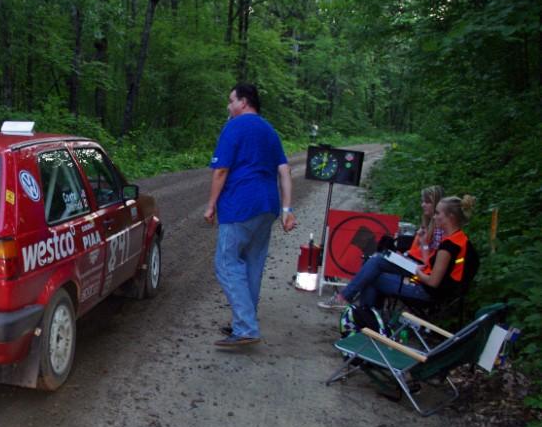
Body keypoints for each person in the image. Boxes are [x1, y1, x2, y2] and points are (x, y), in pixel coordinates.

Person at [204, 83, 296, 347]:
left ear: (244, 102)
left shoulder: (234, 127)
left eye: (231, 101)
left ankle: (245, 327)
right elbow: (285, 171)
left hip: (240, 205)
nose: (228, 106)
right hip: (267, 206)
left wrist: (211, 205)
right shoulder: (269, 131)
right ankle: (244, 322)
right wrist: (287, 210)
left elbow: (221, 171)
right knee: (252, 264)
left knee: (226, 263)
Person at [319, 195, 476, 310]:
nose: (434, 217)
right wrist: (423, 247)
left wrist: (415, 270)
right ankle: (367, 315)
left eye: (438, 213)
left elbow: (433, 282)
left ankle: (363, 315)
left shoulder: (449, 246)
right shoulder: (459, 238)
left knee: (372, 274)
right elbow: (431, 266)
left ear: (451, 217)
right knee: (376, 263)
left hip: (426, 292)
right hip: (429, 286)